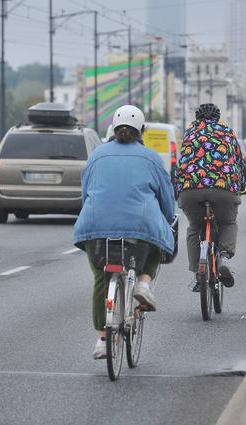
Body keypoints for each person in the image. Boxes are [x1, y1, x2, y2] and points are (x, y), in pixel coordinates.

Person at [73, 105, 176, 360]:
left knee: (100, 277)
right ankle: (143, 284)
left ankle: (101, 340)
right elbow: (166, 199)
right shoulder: (151, 157)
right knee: (159, 245)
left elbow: (85, 192)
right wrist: (167, 218)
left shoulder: (97, 155)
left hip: (96, 227)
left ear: (113, 129)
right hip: (140, 229)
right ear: (141, 130)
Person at [175, 103, 246, 291]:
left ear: (197, 118)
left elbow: (182, 162)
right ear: (218, 118)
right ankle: (223, 257)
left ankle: (198, 273)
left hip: (190, 189)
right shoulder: (227, 132)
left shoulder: (189, 132)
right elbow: (238, 162)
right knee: (228, 223)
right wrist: (241, 186)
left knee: (194, 226)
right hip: (223, 188)